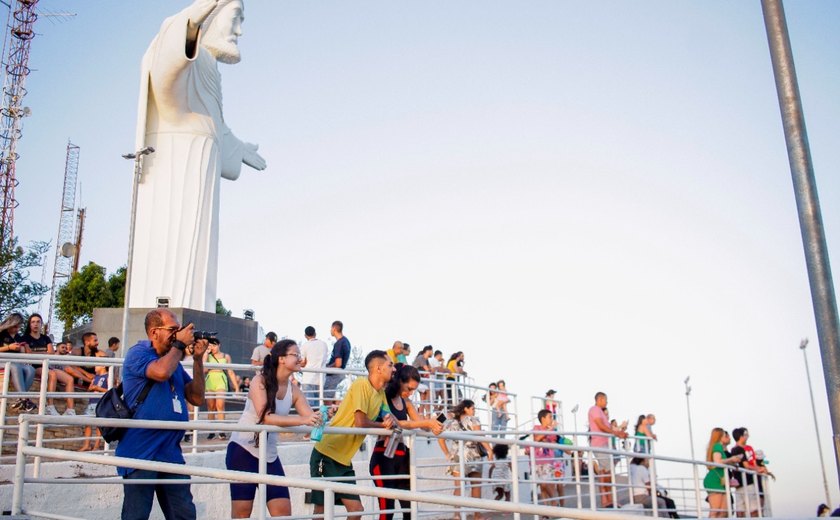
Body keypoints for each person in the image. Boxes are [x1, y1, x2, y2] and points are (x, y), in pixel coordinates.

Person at [129, 0, 266, 312]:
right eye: (235, 18)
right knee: (171, 252)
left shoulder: (208, 67)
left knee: (198, 257)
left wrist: (236, 147)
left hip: (201, 165)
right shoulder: (184, 46)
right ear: (209, 16)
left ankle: (194, 309)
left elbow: (215, 124)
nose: (239, 30)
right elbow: (167, 69)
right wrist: (198, 17)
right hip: (175, 161)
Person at [115, 308, 207, 520]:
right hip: (141, 452)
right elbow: (160, 372)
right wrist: (180, 345)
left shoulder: (172, 360)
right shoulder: (138, 353)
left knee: (184, 514)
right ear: (154, 332)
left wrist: (198, 361)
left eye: (179, 330)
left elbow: (196, 398)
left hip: (170, 452)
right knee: (136, 515)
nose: (178, 334)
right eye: (173, 330)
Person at [226, 339, 320, 518]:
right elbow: (265, 417)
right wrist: (303, 419)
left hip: (269, 456)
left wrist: (324, 415)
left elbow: (310, 418)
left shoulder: (294, 390)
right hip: (243, 451)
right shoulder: (259, 380)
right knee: (242, 513)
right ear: (281, 359)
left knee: (283, 512)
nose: (300, 359)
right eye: (296, 355)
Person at [310, 350, 395, 520]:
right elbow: (360, 422)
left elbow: (390, 419)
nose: (394, 369)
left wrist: (424, 423)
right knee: (322, 510)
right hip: (326, 454)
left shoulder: (380, 394)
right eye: (390, 365)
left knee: (356, 510)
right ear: (378, 368)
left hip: (343, 461)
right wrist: (383, 425)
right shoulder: (361, 385)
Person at [370, 364, 443, 520]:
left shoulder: (407, 402)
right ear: (398, 381)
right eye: (409, 388)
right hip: (383, 457)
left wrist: (435, 424)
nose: (410, 393)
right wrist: (426, 423)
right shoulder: (383, 397)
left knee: (409, 509)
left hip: (402, 456)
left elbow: (422, 426)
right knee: (387, 509)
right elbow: (396, 422)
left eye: (413, 390)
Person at [438, 399, 493, 519]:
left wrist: (447, 454)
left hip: (457, 456)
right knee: (476, 486)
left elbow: (440, 437)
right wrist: (489, 450)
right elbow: (480, 436)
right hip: (473, 456)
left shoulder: (451, 421)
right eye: (473, 408)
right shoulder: (473, 420)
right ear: (466, 409)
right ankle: (476, 516)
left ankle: (457, 515)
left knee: (458, 487)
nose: (474, 411)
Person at [23, 313, 78, 416]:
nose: (35, 324)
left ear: (41, 324)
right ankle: (50, 406)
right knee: (52, 374)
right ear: (29, 324)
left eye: (38, 322)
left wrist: (40, 354)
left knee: (69, 379)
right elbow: (29, 354)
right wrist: (44, 354)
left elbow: (51, 353)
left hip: (47, 365)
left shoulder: (46, 338)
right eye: (33, 322)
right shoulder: (25, 338)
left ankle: (70, 410)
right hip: (35, 366)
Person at [588, 392, 628, 508]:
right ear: (600, 399)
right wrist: (617, 433)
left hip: (603, 445)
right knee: (608, 473)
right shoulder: (594, 409)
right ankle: (608, 500)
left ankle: (607, 500)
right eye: (606, 400)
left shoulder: (599, 411)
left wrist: (621, 431)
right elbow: (601, 426)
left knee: (604, 473)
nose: (607, 402)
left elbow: (609, 427)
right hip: (600, 445)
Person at [703, 428, 743, 518]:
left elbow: (722, 461)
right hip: (715, 480)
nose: (728, 437)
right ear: (720, 437)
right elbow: (717, 461)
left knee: (724, 511)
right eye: (725, 435)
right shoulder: (717, 446)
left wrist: (733, 462)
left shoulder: (719, 447)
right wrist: (732, 459)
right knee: (716, 510)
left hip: (720, 480)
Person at [204, 337, 239, 440]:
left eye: (214, 345)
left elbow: (230, 372)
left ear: (219, 345)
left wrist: (236, 387)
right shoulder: (207, 356)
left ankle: (221, 430)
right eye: (211, 345)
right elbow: (204, 369)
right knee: (210, 406)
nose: (213, 347)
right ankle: (211, 431)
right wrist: (206, 353)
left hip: (221, 379)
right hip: (210, 379)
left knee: (220, 404)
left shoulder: (226, 356)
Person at [0, 313, 36, 412]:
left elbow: (25, 354)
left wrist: (23, 348)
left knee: (30, 369)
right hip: (2, 361)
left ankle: (20, 400)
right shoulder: (1, 333)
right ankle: (24, 399)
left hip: (15, 361)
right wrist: (8, 347)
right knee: (15, 367)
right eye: (15, 326)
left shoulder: (19, 337)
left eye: (19, 327)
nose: (17, 329)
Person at [79, 352, 109, 452]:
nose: (95, 367)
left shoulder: (108, 376)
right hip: (91, 403)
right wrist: (92, 388)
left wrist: (98, 388)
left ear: (103, 365)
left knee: (98, 426)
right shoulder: (95, 377)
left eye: (97, 364)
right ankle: (86, 444)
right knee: (87, 423)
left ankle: (96, 445)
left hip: (100, 403)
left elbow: (110, 391)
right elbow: (89, 388)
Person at [533, 409, 563, 507]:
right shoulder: (536, 428)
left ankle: (554, 502)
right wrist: (547, 433)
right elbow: (537, 438)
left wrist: (545, 437)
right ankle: (546, 511)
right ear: (543, 419)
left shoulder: (552, 431)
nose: (552, 419)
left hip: (548, 460)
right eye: (550, 417)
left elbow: (552, 443)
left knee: (546, 483)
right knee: (542, 486)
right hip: (538, 460)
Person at [730, 427, 761, 517]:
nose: (748, 437)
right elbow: (746, 465)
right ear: (741, 437)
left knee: (740, 509)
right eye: (746, 435)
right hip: (747, 482)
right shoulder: (739, 449)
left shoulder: (733, 449)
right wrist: (759, 469)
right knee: (754, 509)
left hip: (739, 483)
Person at [299, 325, 329, 408]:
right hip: (320, 379)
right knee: (318, 406)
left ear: (305, 335)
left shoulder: (305, 346)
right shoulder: (324, 344)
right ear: (315, 334)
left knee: (308, 406)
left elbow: (303, 362)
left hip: (308, 378)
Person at [323, 320, 351, 402]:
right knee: (330, 396)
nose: (330, 330)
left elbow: (338, 363)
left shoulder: (339, 343)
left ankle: (327, 414)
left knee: (325, 396)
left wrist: (327, 367)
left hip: (335, 373)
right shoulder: (346, 341)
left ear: (334, 328)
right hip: (338, 373)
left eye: (331, 328)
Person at [411, 345, 434, 417]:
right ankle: (426, 414)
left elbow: (431, 369)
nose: (432, 353)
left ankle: (421, 414)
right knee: (428, 391)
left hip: (420, 381)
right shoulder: (421, 357)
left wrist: (430, 370)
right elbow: (428, 370)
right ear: (428, 351)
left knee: (423, 396)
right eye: (432, 351)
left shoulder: (426, 359)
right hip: (413, 380)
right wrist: (430, 370)